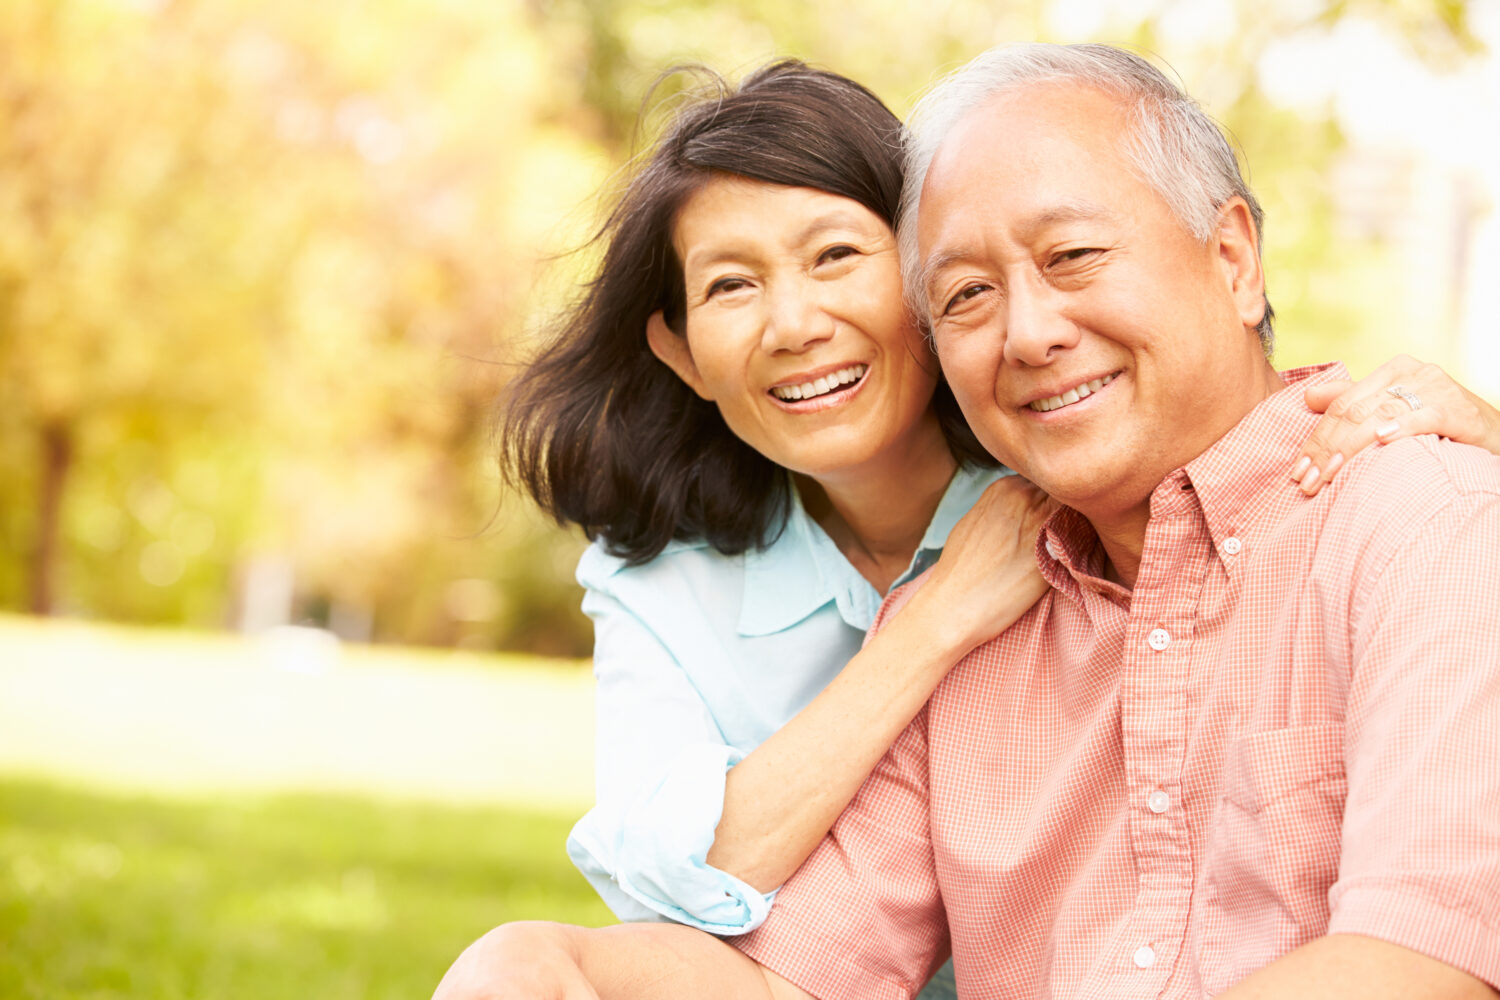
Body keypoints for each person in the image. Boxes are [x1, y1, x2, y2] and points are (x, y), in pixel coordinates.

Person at [437, 48, 1500, 1000]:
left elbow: (1423, 960)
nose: (1031, 332)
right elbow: (799, 971)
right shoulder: (985, 607)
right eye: (968, 295)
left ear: (1232, 259)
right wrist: (552, 966)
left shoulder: (1420, 527)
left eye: (1074, 256)